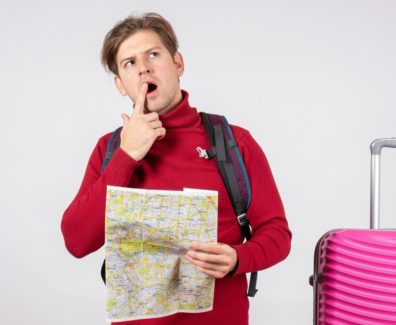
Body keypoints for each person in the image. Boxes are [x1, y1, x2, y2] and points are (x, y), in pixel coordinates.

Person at [61, 12, 291, 325]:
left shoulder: (233, 142)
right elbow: (76, 241)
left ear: (177, 63)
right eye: (129, 63)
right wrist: (127, 155)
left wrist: (239, 258)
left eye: (153, 54)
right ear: (120, 84)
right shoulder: (110, 149)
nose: (143, 68)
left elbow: (277, 233)